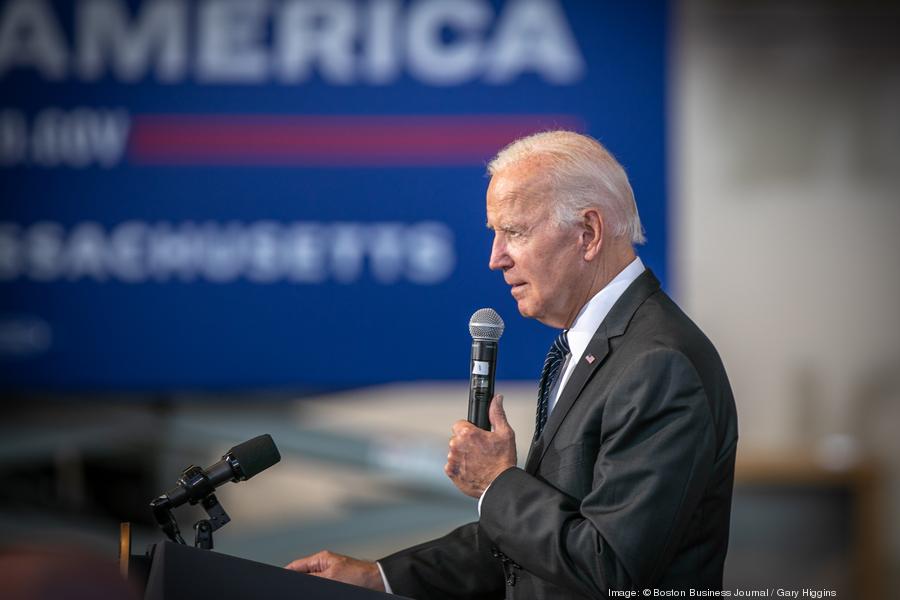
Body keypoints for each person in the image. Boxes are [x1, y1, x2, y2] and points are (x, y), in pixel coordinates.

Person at [286, 131, 738, 598]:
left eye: (515, 232)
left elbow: (610, 568)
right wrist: (378, 578)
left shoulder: (659, 365)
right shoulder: (594, 346)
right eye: (495, 234)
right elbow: (531, 545)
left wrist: (497, 482)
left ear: (588, 233)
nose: (495, 258)